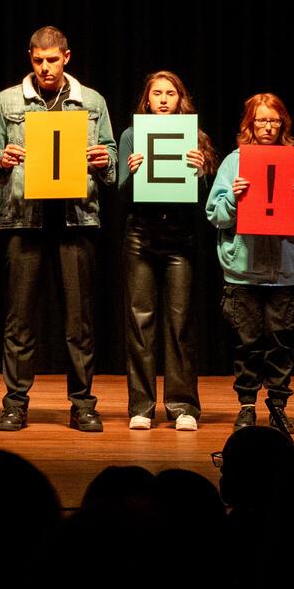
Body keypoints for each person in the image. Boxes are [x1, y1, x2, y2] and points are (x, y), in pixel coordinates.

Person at [0, 27, 116, 433]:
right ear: (30, 58)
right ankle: (15, 403)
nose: (45, 68)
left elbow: (110, 154)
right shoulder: (7, 101)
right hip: (25, 219)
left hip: (76, 219)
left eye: (52, 60)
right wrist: (2, 160)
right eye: (38, 60)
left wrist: (101, 159)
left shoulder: (90, 101)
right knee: (19, 320)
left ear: (66, 58)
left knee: (79, 321)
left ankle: (82, 403)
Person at [206, 93, 294, 434]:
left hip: (284, 271)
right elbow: (215, 214)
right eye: (261, 120)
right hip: (243, 269)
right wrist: (235, 200)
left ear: (283, 123)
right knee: (247, 342)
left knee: (281, 342)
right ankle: (246, 405)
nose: (267, 126)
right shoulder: (233, 162)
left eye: (274, 120)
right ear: (249, 124)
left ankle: (279, 406)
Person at [118, 70, 217, 431]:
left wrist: (201, 172)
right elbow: (121, 193)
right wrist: (131, 173)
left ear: (180, 99)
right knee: (140, 321)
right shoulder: (132, 135)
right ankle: (141, 406)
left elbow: (207, 202)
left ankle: (182, 406)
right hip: (140, 234)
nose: (163, 99)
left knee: (180, 323)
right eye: (156, 93)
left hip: (181, 236)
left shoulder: (194, 135)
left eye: (170, 93)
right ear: (147, 100)